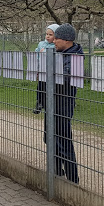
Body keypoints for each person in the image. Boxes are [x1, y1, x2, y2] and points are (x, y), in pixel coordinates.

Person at [51, 23, 83, 184]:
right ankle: (57, 172)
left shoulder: (75, 57)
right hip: (53, 104)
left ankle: (72, 180)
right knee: (51, 138)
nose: (54, 41)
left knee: (64, 141)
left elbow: (65, 79)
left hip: (63, 105)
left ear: (67, 40)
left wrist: (50, 74)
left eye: (57, 38)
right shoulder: (60, 55)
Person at [33, 23, 59, 114]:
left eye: (50, 35)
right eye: (47, 34)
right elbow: (36, 56)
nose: (47, 36)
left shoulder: (56, 46)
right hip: (42, 70)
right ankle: (39, 103)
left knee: (51, 89)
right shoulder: (41, 44)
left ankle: (50, 104)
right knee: (40, 87)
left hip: (52, 72)